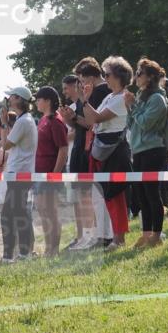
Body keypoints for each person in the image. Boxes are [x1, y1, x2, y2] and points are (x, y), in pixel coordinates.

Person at [83, 56, 134, 250]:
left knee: (116, 196)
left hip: (115, 150)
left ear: (119, 76)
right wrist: (85, 102)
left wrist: (84, 101)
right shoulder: (110, 96)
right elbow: (91, 122)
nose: (104, 78)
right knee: (105, 196)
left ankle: (119, 239)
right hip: (103, 148)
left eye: (107, 74)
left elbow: (95, 118)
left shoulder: (122, 98)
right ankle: (112, 236)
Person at [68, 57, 115, 249]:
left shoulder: (101, 92)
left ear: (89, 76)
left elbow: (91, 122)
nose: (80, 83)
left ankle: (105, 234)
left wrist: (75, 117)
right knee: (95, 194)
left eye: (81, 78)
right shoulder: (93, 92)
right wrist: (71, 118)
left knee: (100, 194)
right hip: (89, 146)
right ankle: (99, 233)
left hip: (98, 147)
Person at [124, 58, 168, 249]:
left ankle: (157, 235)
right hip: (139, 150)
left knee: (152, 193)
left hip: (153, 150)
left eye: (139, 73)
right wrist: (130, 107)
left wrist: (133, 106)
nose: (136, 77)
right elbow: (131, 124)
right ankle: (146, 234)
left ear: (150, 77)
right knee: (141, 194)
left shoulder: (158, 99)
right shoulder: (142, 97)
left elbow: (145, 123)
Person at [0, 87, 37, 262]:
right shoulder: (24, 120)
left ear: (20, 100)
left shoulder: (23, 121)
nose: (9, 99)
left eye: (12, 96)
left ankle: (19, 253)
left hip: (20, 173)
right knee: (17, 213)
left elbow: (6, 145)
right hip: (20, 172)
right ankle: (21, 253)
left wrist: (5, 123)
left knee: (11, 214)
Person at [58, 74, 94, 249]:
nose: (64, 91)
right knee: (76, 199)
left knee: (84, 196)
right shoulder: (71, 107)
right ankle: (81, 235)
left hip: (81, 152)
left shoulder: (80, 105)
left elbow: (84, 127)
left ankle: (88, 234)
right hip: (73, 155)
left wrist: (68, 123)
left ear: (75, 86)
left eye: (66, 87)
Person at [33, 86, 69, 256]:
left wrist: (54, 174)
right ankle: (49, 247)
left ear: (47, 100)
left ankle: (53, 249)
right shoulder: (43, 120)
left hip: (50, 173)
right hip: (40, 173)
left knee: (51, 211)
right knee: (42, 209)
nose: (36, 102)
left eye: (39, 99)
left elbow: (63, 149)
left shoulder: (56, 121)